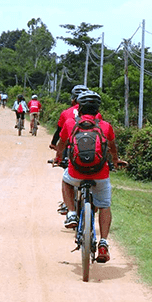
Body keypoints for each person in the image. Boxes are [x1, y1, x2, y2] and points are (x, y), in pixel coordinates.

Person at [53, 90, 125, 263]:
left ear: (80, 107)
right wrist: (115, 161)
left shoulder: (70, 123)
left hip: (76, 173)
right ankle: (103, 243)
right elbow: (113, 148)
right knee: (105, 205)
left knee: (66, 180)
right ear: (97, 109)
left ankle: (71, 213)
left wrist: (57, 157)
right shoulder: (106, 126)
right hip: (100, 175)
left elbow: (61, 144)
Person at [50, 84, 88, 215]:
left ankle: (68, 205)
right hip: (91, 151)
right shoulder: (96, 114)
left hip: (69, 149)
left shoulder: (66, 113)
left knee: (68, 173)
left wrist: (53, 144)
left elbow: (59, 132)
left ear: (73, 99)